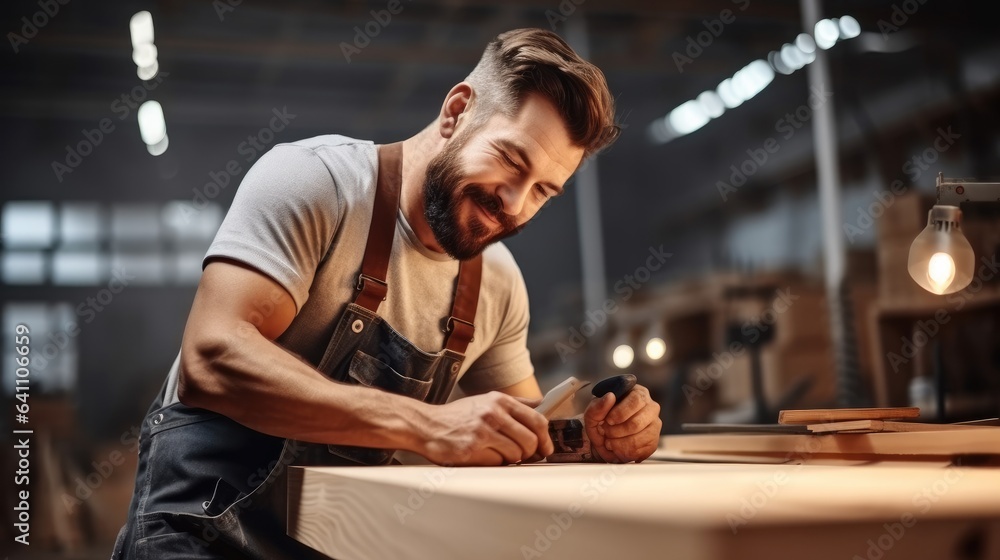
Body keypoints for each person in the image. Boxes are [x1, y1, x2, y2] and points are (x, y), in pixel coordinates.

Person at [113, 27, 662, 559]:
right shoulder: (316, 182)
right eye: (512, 161)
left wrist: (590, 440)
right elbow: (210, 361)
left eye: (544, 189)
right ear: (456, 112)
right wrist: (426, 424)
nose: (516, 203)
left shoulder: (496, 281)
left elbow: (522, 432)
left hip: (341, 542)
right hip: (202, 531)